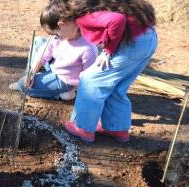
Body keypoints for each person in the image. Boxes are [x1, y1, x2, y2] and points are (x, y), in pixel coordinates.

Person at [42, 0, 158, 142]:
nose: (59, 38)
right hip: (146, 39)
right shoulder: (85, 9)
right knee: (116, 87)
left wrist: (108, 51)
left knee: (90, 80)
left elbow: (117, 20)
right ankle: (116, 128)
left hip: (133, 45)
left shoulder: (83, 18)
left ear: (62, 24)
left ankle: (82, 127)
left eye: (57, 34)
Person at [9, 10, 98, 101]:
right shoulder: (60, 35)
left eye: (55, 34)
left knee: (22, 85)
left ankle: (62, 94)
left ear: (61, 25)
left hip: (65, 79)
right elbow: (43, 55)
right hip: (56, 65)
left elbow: (89, 78)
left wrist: (79, 89)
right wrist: (31, 73)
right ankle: (29, 77)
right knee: (38, 41)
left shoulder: (88, 49)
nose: (55, 37)